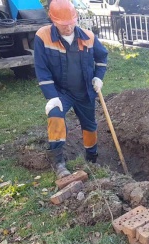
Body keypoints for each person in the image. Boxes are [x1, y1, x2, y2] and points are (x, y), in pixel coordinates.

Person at [34, 0, 108, 179]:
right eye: (63, 24)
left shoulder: (88, 37)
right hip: (61, 92)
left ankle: (92, 159)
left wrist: (98, 77)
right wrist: (51, 97)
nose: (68, 28)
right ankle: (59, 163)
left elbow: (102, 57)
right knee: (55, 116)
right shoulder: (43, 36)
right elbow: (41, 68)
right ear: (53, 20)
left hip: (84, 91)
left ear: (76, 19)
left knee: (90, 126)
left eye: (71, 23)